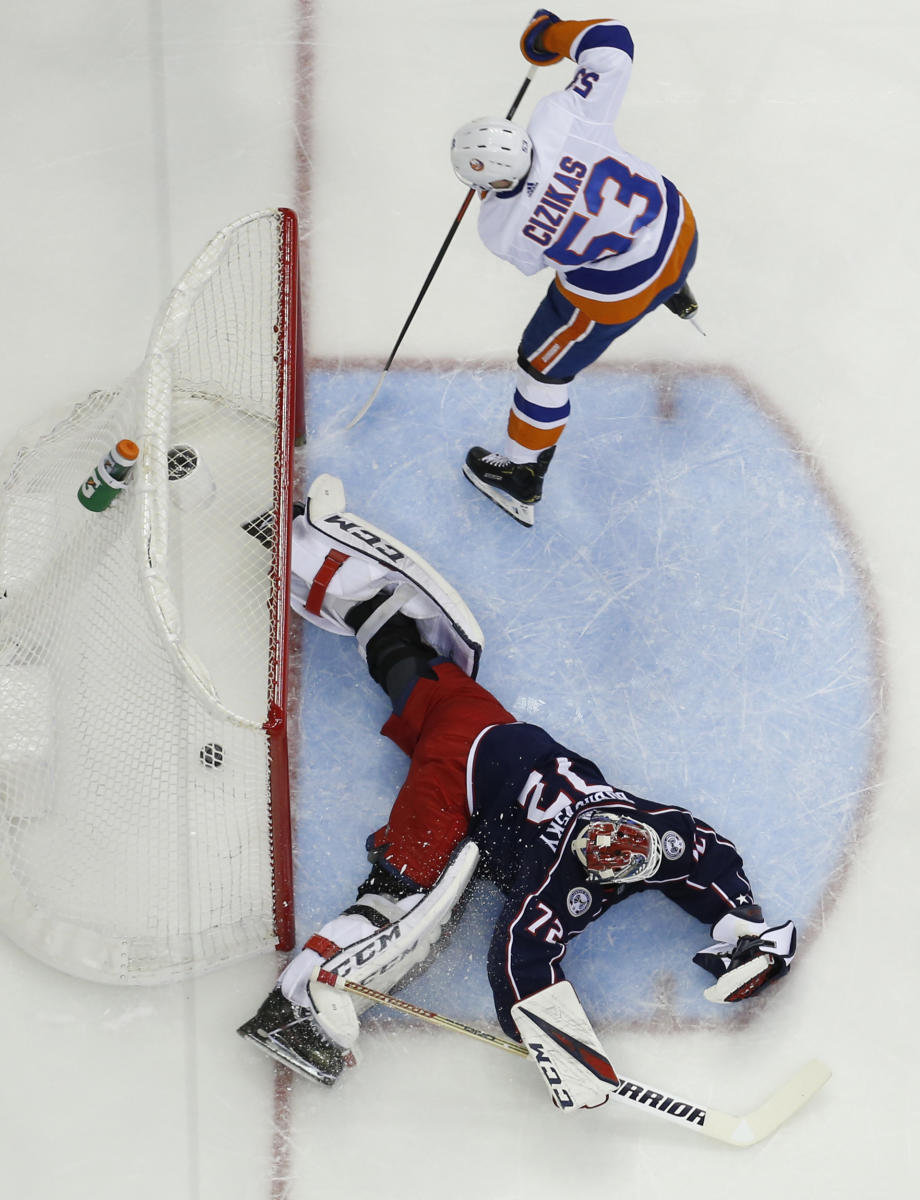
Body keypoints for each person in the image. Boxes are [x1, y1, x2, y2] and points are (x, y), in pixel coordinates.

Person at [237, 477, 796, 1097]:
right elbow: (518, 957)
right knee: (393, 895)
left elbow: (701, 853)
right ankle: (294, 1004)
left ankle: (307, 556)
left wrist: (744, 929)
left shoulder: (654, 834)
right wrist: (563, 1049)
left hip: (481, 728)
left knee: (408, 659)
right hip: (453, 789)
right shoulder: (564, 880)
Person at [451, 12, 700, 527]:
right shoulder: (561, 115)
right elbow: (613, 42)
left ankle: (520, 473)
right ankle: (675, 286)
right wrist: (547, 35)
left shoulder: (499, 229)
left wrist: (497, 198)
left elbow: (540, 258)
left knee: (542, 366)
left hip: (623, 288)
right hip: (679, 227)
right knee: (635, 241)